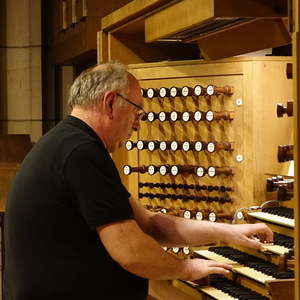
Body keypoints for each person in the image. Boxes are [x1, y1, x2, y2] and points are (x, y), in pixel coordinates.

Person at [4, 62, 273, 300]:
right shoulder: (80, 152)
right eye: (137, 111)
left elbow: (148, 224)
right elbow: (131, 251)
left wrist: (229, 232)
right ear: (110, 102)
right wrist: (185, 269)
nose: (137, 125)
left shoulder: (69, 144)